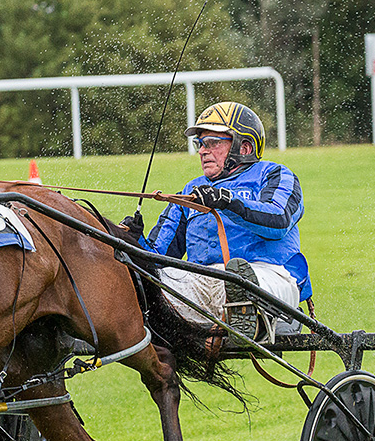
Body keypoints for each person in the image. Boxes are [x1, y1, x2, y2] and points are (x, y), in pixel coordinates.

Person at [125, 101, 311, 341]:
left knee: (240, 279)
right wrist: (133, 239)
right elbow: (158, 258)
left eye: (213, 143)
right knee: (145, 286)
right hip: (203, 284)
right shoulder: (191, 190)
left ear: (244, 147)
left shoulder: (275, 174)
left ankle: (252, 315)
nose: (202, 151)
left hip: (270, 276)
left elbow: (279, 220)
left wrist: (228, 202)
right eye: (200, 144)